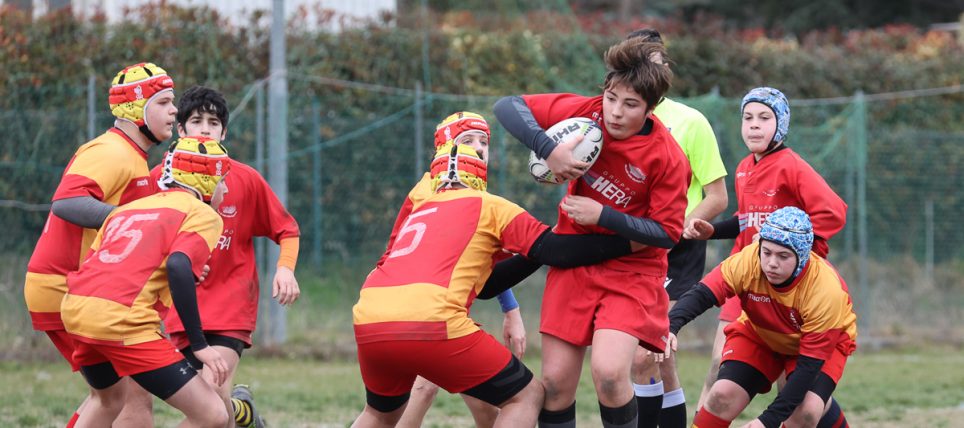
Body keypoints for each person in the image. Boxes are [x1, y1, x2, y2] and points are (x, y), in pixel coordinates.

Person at [351, 128, 644, 428]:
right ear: (480, 175)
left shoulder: (421, 208)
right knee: (526, 395)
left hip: (369, 315)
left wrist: (541, 252)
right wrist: (626, 242)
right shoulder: (489, 205)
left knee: (379, 414)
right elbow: (555, 250)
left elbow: (488, 285)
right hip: (430, 318)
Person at [494, 37, 690, 428]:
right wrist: (547, 148)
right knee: (554, 384)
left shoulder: (667, 156)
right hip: (575, 263)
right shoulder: (588, 112)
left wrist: (604, 214)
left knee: (611, 374)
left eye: (630, 105)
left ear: (651, 108)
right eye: (611, 98)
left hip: (632, 273)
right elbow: (507, 105)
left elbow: (668, 232)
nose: (615, 113)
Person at [683, 87, 849, 427]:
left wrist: (796, 249)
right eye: (747, 118)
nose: (754, 126)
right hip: (747, 279)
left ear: (781, 124)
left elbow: (834, 213)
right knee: (719, 369)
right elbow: (749, 220)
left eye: (764, 118)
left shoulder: (791, 166)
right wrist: (713, 231)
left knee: (797, 392)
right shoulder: (745, 168)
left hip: (787, 287)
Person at [23, 62, 177, 427]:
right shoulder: (111, 151)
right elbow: (67, 201)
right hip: (64, 286)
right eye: (165, 101)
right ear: (137, 107)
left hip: (72, 289)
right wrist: (131, 221)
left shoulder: (131, 156)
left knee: (112, 396)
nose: (174, 110)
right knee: (123, 397)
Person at [151, 86, 301, 428]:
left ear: (224, 132)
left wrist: (285, 269)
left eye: (214, 123)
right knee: (216, 410)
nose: (205, 129)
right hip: (182, 312)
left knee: (209, 395)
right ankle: (244, 413)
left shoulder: (244, 178)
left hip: (232, 306)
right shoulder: (160, 180)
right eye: (196, 121)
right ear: (181, 130)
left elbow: (287, 230)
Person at [60, 136, 233, 428]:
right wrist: (199, 344)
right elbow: (178, 264)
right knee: (213, 415)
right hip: (122, 319)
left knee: (108, 401)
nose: (226, 189)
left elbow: (100, 262)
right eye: (222, 181)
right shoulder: (203, 213)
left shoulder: (130, 208)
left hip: (76, 308)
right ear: (205, 181)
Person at [391, 112, 527, 428]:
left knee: (481, 401)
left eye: (484, 142)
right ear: (446, 149)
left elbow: (484, 259)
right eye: (467, 141)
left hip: (438, 309)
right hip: (423, 309)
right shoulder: (440, 188)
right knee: (425, 387)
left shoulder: (469, 189)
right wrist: (512, 311)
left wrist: (512, 310)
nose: (479, 148)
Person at [665, 207, 857, 428]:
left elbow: (807, 369)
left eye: (783, 256)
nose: (772, 263)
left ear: (802, 255)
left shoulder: (825, 290)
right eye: (767, 252)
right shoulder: (750, 259)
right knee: (721, 395)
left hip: (819, 347)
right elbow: (704, 293)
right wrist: (672, 325)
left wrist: (767, 421)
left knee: (805, 414)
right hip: (761, 332)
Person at [623, 29, 729, 428]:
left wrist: (678, 225)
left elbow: (718, 197)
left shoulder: (690, 121)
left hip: (676, 253)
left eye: (655, 60)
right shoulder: (614, 115)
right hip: (630, 249)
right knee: (660, 360)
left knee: (646, 351)